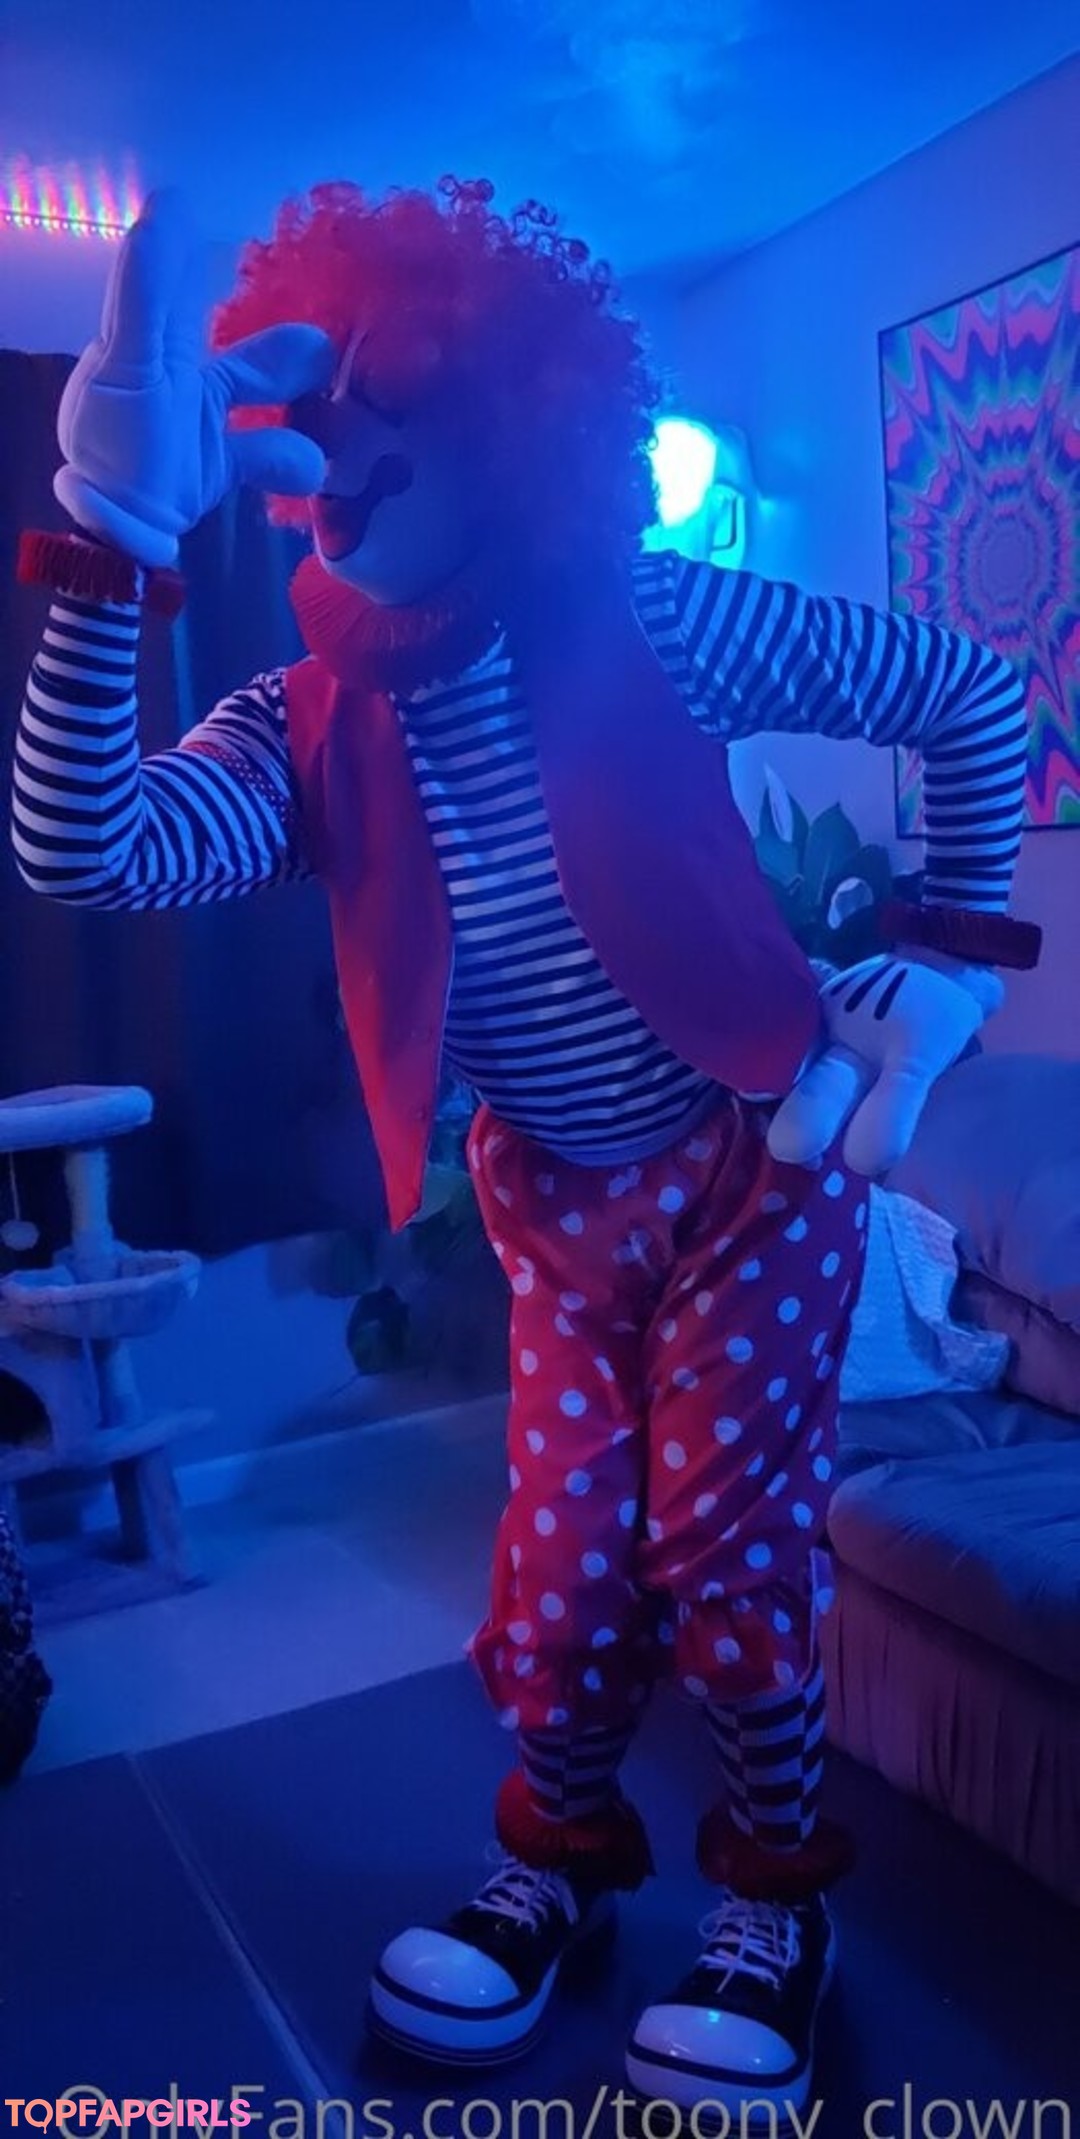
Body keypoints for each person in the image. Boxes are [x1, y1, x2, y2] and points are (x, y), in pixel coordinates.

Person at [13, 182, 1037, 2120]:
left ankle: (778, 1907)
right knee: (561, 1563)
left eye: (391, 395)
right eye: (310, 418)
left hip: (750, 1164)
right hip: (550, 1192)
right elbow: (94, 852)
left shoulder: (656, 611)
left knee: (724, 1553)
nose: (341, 450)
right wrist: (107, 546)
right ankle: (559, 1861)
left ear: (519, 424)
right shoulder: (302, 715)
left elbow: (970, 696)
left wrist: (949, 947)